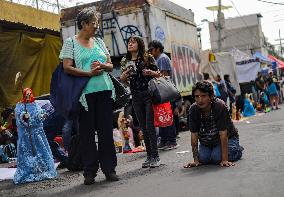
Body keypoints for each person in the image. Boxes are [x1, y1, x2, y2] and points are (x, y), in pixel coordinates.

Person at [59, 7, 118, 185]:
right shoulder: (71, 42)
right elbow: (66, 67)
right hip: (84, 95)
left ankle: (110, 170)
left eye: (97, 23)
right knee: (86, 134)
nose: (96, 26)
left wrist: (102, 65)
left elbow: (110, 65)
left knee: (106, 132)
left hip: (105, 91)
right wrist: (88, 73)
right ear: (83, 24)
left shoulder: (99, 41)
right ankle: (89, 172)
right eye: (93, 23)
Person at [120, 36, 161, 168]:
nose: (130, 44)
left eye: (133, 42)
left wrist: (150, 72)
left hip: (148, 94)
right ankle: (149, 156)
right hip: (136, 96)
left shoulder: (147, 57)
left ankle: (156, 156)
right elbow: (125, 82)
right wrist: (123, 78)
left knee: (149, 126)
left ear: (139, 44)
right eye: (129, 42)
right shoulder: (124, 60)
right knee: (143, 127)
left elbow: (158, 74)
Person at [184, 81, 243, 168]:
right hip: (207, 142)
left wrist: (224, 160)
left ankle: (237, 149)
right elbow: (194, 135)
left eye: (204, 96)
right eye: (197, 96)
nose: (200, 100)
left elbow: (223, 134)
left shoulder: (219, 106)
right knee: (203, 160)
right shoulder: (193, 110)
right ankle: (215, 152)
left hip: (227, 138)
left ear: (211, 96)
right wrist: (196, 160)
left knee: (217, 158)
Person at [14, 88, 56, 184]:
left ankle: (43, 170)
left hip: (38, 135)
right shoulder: (20, 106)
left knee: (41, 151)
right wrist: (23, 117)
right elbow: (19, 121)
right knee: (28, 153)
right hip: (26, 137)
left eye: (30, 94)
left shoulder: (35, 104)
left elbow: (41, 115)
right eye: (26, 94)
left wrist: (41, 115)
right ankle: (29, 171)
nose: (28, 96)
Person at [148, 40, 179, 150]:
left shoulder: (162, 58)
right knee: (162, 115)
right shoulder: (160, 58)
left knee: (166, 116)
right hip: (163, 93)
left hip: (164, 92)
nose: (150, 52)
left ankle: (171, 141)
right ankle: (165, 140)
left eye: (151, 50)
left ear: (157, 49)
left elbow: (163, 76)